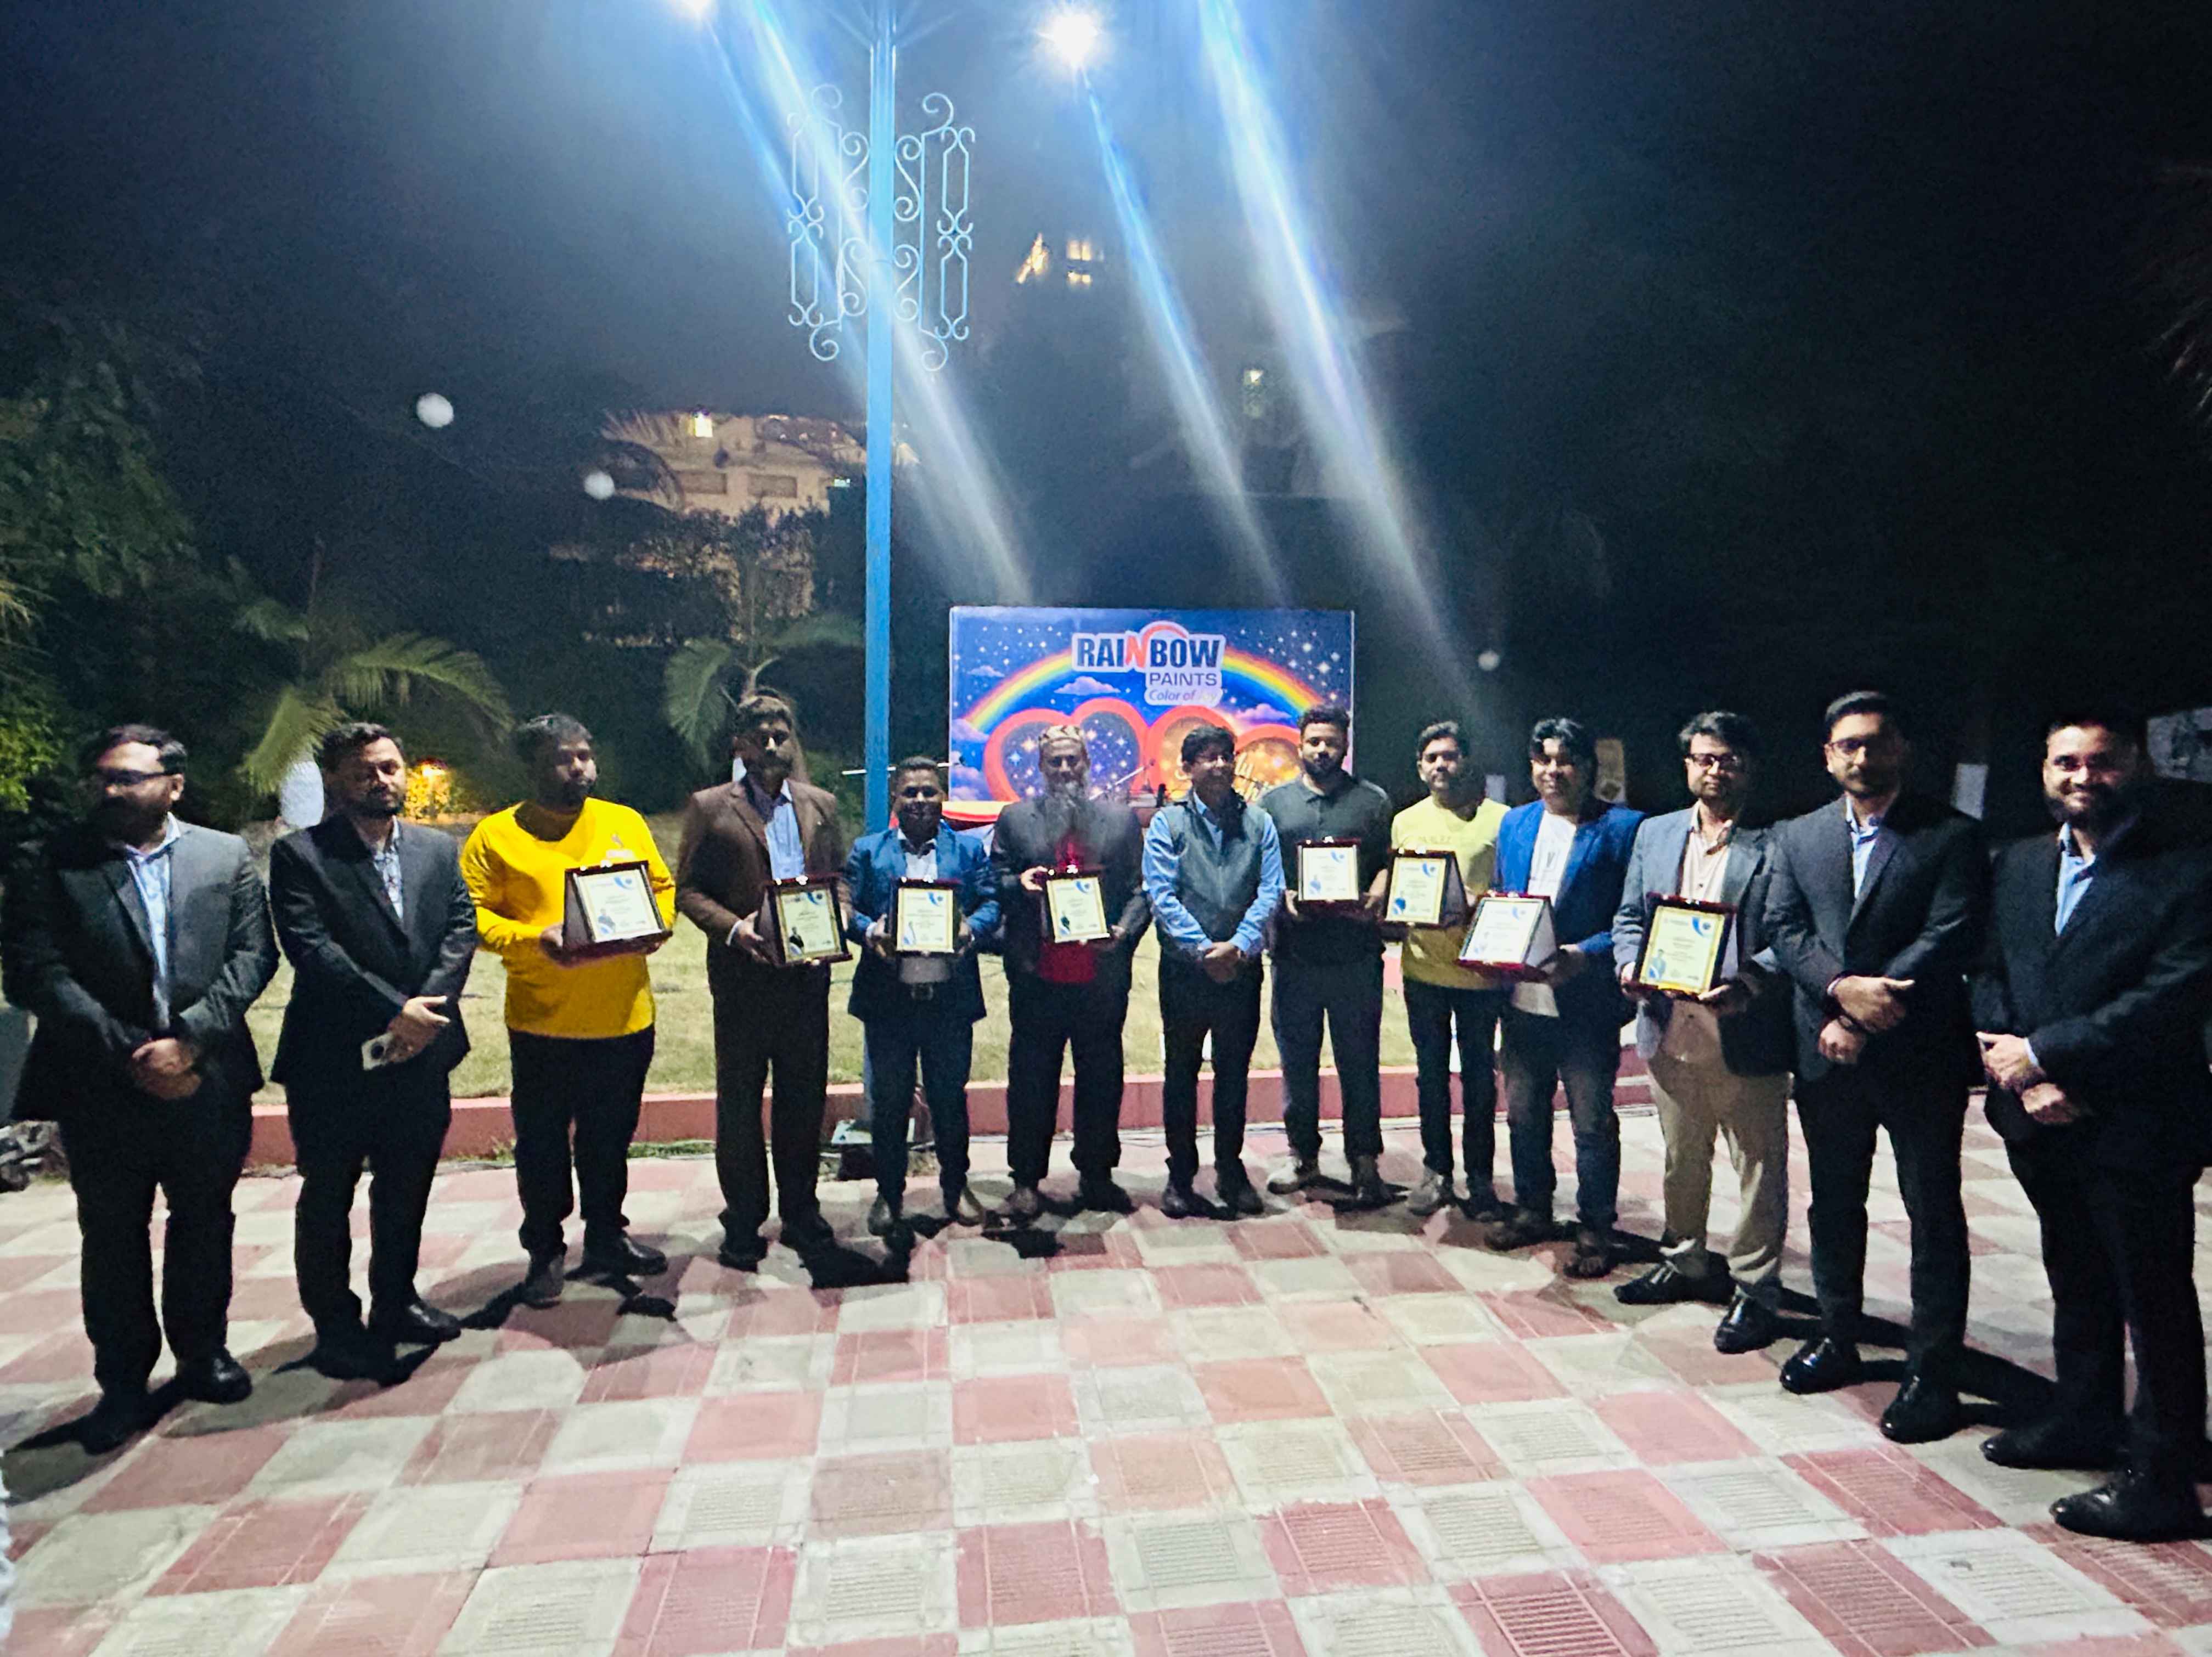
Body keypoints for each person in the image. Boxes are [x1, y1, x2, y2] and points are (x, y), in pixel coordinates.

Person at [1, 725, 277, 1452]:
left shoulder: (223, 855)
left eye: (129, 777)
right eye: (102, 777)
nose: (112, 789)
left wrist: (189, 1040)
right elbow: (34, 970)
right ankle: (123, 1383)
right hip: (99, 1082)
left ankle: (202, 1354)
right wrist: (130, 1050)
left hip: (206, 1077)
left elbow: (254, 955)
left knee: (205, 1220)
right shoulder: (51, 860)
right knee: (113, 1235)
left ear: (174, 786)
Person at [1971, 711, 2212, 1540]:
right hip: (2036, 1115)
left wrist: (2044, 1054)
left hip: (2136, 1119)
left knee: (2153, 1297)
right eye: (2065, 762)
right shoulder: (2018, 862)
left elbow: (2172, 994)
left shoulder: (2186, 869)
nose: (2082, 777)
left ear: (2135, 766)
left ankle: (2163, 1478)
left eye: (2101, 762)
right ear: (2042, 770)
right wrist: (2018, 1067)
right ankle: (2081, 1418)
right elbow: (1991, 971)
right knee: (2073, 1274)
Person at [1762, 690, 1985, 1443]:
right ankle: (1836, 1334)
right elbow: (1784, 927)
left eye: (1875, 742)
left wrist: (1862, 1012)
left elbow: (1949, 932)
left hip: (1916, 1051)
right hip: (1823, 1049)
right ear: (1827, 756)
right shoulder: (1798, 835)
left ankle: (1932, 1370)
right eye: (1847, 745)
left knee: (1932, 1212)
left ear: (1900, 750)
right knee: (1832, 1202)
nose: (1861, 756)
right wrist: (1837, 992)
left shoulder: (1950, 835)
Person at [268, 723, 478, 1378]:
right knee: (328, 1195)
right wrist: (394, 1009)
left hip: (422, 1052)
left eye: (390, 766)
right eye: (365, 770)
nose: (381, 780)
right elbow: (311, 948)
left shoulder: (435, 848)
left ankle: (397, 1300)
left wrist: (426, 1010)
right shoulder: (301, 855)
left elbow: (460, 926)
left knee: (406, 1184)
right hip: (332, 1059)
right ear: (335, 779)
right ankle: (335, 1324)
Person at [460, 714, 674, 1306]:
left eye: (584, 754)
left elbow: (660, 888)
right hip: (543, 1022)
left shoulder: (623, 822)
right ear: (530, 766)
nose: (579, 767)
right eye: (563, 758)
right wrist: (534, 938)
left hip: (624, 1017)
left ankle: (606, 1236)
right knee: (542, 1146)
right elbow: (470, 917)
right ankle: (545, 1251)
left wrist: (656, 925)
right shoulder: (496, 837)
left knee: (610, 1140)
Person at [1609, 712, 1795, 1351]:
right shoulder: (1655, 832)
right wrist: (1628, 964)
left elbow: (1790, 936)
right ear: (1687, 764)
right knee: (1680, 1157)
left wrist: (1747, 982)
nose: (1714, 770)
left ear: (1749, 767)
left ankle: (1755, 1288)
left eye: (1728, 760)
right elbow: (1629, 916)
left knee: (1757, 1167)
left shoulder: (1779, 841)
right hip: (1668, 1025)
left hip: (1742, 1028)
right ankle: (1683, 1257)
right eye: (1703, 758)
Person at [675, 694, 849, 1269]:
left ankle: (801, 1210)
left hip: (806, 979)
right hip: (742, 981)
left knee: (803, 1099)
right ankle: (743, 1218)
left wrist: (839, 918)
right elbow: (688, 891)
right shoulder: (710, 807)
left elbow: (838, 878)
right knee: (740, 1104)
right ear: (740, 744)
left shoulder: (820, 804)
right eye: (761, 736)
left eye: (782, 734)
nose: (773, 744)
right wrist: (734, 930)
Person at [1485, 718, 1643, 1277]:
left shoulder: (1623, 828)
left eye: (1565, 760)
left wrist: (1583, 953)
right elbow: (1504, 897)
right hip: (1521, 1001)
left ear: (1587, 767)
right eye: (1543, 760)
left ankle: (1595, 1229)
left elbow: (1634, 917)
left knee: (1591, 1123)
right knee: (1523, 1115)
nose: (1553, 771)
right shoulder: (1515, 822)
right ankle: (1532, 1209)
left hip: (1585, 1003)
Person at [992, 725, 1150, 1220]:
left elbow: (1140, 890)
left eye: (1072, 760)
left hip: (1100, 975)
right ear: (1041, 768)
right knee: (1030, 1080)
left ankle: (1097, 1175)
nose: (1064, 770)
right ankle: (1025, 1180)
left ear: (1087, 764)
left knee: (1101, 1078)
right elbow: (992, 880)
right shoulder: (1015, 820)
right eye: (1054, 762)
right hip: (1036, 975)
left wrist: (1122, 933)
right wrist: (1016, 883)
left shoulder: (1119, 821)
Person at [845, 756, 998, 1235]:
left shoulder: (968, 850)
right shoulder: (868, 851)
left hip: (949, 999)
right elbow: (846, 907)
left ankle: (956, 1187)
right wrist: (870, 930)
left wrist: (972, 927)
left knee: (949, 1099)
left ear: (943, 797)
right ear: (895, 798)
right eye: (910, 792)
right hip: (888, 1001)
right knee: (889, 1103)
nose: (919, 801)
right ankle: (889, 1194)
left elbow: (991, 901)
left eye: (929, 791)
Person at [1143, 723, 1285, 1218]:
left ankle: (1230, 1169)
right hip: (1185, 971)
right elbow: (1161, 895)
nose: (1220, 765)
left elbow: (1270, 890)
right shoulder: (1167, 824)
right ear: (1187, 768)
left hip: (1241, 971)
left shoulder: (1259, 823)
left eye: (1226, 755)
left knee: (1233, 1075)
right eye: (1207, 757)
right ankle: (1180, 1176)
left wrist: (1239, 946)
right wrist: (1205, 950)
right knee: (1180, 1074)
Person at [1259, 704, 1395, 1207]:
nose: (1322, 750)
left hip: (1355, 955)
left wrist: (1379, 891)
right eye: (1314, 741)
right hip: (1294, 957)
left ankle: (1364, 1161)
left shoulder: (1372, 801)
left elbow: (1387, 863)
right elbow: (1263, 868)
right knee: (1297, 1062)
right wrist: (1282, 896)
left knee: (1359, 1062)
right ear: (1300, 744)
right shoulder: (1273, 804)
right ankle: (1303, 1157)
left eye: (1331, 742)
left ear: (1344, 746)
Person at [1387, 719, 1509, 1219]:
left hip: (1479, 973)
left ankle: (1480, 1179)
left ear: (1467, 762)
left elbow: (1515, 891)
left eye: (1450, 756)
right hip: (1423, 971)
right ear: (1420, 768)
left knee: (1479, 1080)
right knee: (1430, 1077)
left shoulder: (1502, 821)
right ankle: (1436, 1170)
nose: (1441, 765)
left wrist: (1484, 902)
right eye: (1432, 758)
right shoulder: (1405, 821)